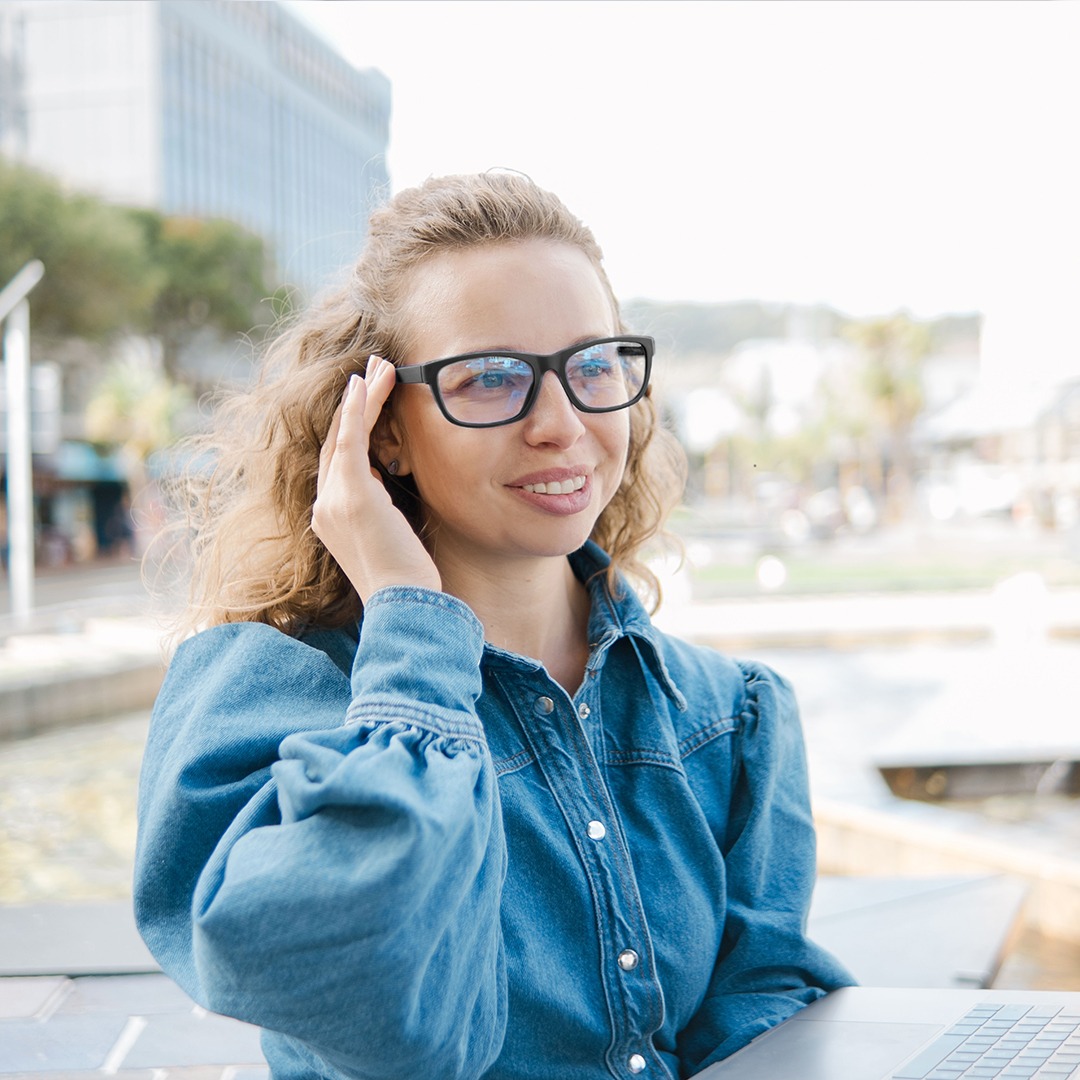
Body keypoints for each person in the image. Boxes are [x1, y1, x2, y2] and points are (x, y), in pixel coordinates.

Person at [134, 172, 853, 1080]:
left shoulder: (731, 716)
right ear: (381, 431)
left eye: (594, 367)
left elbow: (765, 1015)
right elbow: (387, 1022)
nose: (561, 424)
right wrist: (408, 614)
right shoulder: (268, 698)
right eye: (492, 379)